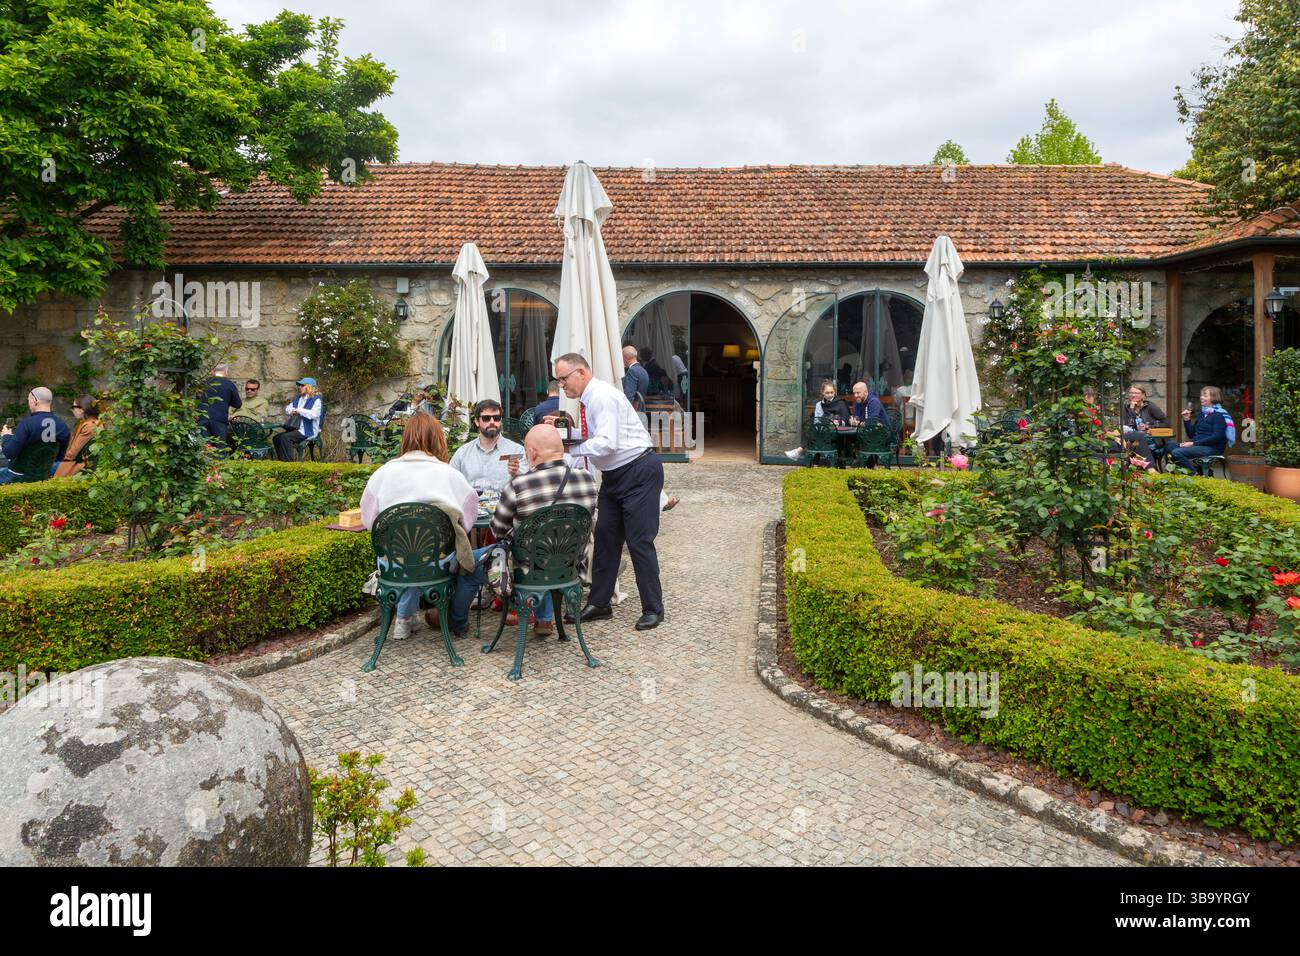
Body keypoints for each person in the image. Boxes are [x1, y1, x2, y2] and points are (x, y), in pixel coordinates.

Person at [448, 423, 599, 637]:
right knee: (544, 547)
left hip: (524, 570)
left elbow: (497, 530)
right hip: (569, 564)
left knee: (467, 563)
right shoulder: (587, 480)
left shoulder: (520, 485)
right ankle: (544, 619)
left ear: (532, 452)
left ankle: (458, 623)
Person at [555, 352, 665, 631]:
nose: (561, 385)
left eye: (563, 378)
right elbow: (596, 439)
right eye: (558, 380)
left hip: (638, 471)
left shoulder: (600, 396)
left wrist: (570, 450)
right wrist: (565, 438)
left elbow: (605, 444)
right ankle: (600, 603)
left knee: (640, 542)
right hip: (615, 475)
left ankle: (653, 608)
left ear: (581, 373)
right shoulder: (587, 399)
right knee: (605, 537)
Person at [449, 399, 529, 495]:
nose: (492, 422)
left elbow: (528, 484)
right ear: (477, 421)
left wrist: (516, 473)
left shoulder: (516, 450)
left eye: (496, 418)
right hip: (471, 507)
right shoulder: (463, 453)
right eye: (486, 418)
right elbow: (450, 483)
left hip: (505, 507)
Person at [0, 387, 70, 484]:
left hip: (17, 476)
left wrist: (6, 436)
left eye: (28, 400)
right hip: (43, 476)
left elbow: (9, 453)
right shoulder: (63, 427)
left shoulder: (26, 425)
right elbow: (59, 457)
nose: (28, 404)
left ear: (35, 401)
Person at [783, 380, 849, 461]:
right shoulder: (819, 405)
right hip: (823, 432)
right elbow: (817, 421)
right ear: (822, 393)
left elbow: (846, 420)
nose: (830, 395)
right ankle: (799, 452)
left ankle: (798, 451)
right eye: (827, 393)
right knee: (813, 430)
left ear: (835, 392)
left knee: (814, 432)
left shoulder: (840, 403)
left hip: (837, 435)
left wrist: (838, 422)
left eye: (832, 392)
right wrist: (826, 423)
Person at [1170, 386, 1231, 473]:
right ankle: (1194, 471)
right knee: (1169, 446)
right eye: (1201, 395)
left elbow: (1217, 437)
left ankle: (1195, 474)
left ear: (1214, 398)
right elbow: (1191, 434)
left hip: (1212, 448)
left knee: (1176, 453)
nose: (1201, 397)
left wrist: (1193, 443)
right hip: (1199, 446)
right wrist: (1186, 420)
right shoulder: (1203, 413)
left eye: (1205, 395)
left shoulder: (1219, 415)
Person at [273, 377, 324, 461]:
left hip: (308, 430)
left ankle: (289, 465)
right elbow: (287, 409)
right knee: (276, 438)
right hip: (296, 428)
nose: (299, 387)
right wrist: (292, 411)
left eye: (302, 385)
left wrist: (299, 410)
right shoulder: (298, 398)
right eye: (299, 385)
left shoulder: (316, 399)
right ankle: (282, 462)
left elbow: (315, 415)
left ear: (309, 387)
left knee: (285, 438)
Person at [1119, 384, 1169, 467]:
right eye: (1131, 393)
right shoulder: (1127, 408)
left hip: (1152, 439)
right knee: (1126, 447)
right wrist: (1131, 409)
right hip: (1134, 439)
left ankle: (1148, 469)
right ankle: (1141, 470)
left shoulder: (1150, 406)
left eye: (1136, 393)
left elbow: (1166, 423)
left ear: (1142, 395)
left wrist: (1148, 426)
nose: (1133, 395)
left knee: (1133, 449)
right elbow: (1128, 426)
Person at [52, 395, 100, 478]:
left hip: (76, 466)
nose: (72, 410)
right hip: (77, 463)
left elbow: (72, 453)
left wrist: (58, 457)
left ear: (82, 409)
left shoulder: (89, 426)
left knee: (39, 468)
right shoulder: (89, 423)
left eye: (73, 406)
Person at [198, 364, 241, 441]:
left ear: (213, 372)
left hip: (202, 418)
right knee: (220, 449)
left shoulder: (203, 383)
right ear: (226, 372)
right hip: (219, 420)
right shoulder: (229, 384)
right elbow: (237, 404)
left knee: (204, 448)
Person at [622, 346, 650, 412]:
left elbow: (629, 396)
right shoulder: (643, 370)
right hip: (640, 409)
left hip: (633, 412)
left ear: (625, 358)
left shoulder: (632, 371)